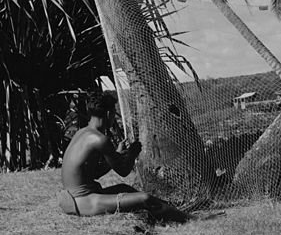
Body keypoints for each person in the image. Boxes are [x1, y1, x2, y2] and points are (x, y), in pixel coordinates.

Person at [58, 91, 187, 221]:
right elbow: (124, 171)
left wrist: (118, 154)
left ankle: (170, 208)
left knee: (124, 188)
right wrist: (132, 153)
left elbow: (95, 173)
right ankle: (189, 218)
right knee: (144, 198)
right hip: (83, 202)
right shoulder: (100, 139)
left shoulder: (82, 133)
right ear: (109, 113)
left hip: (71, 200)